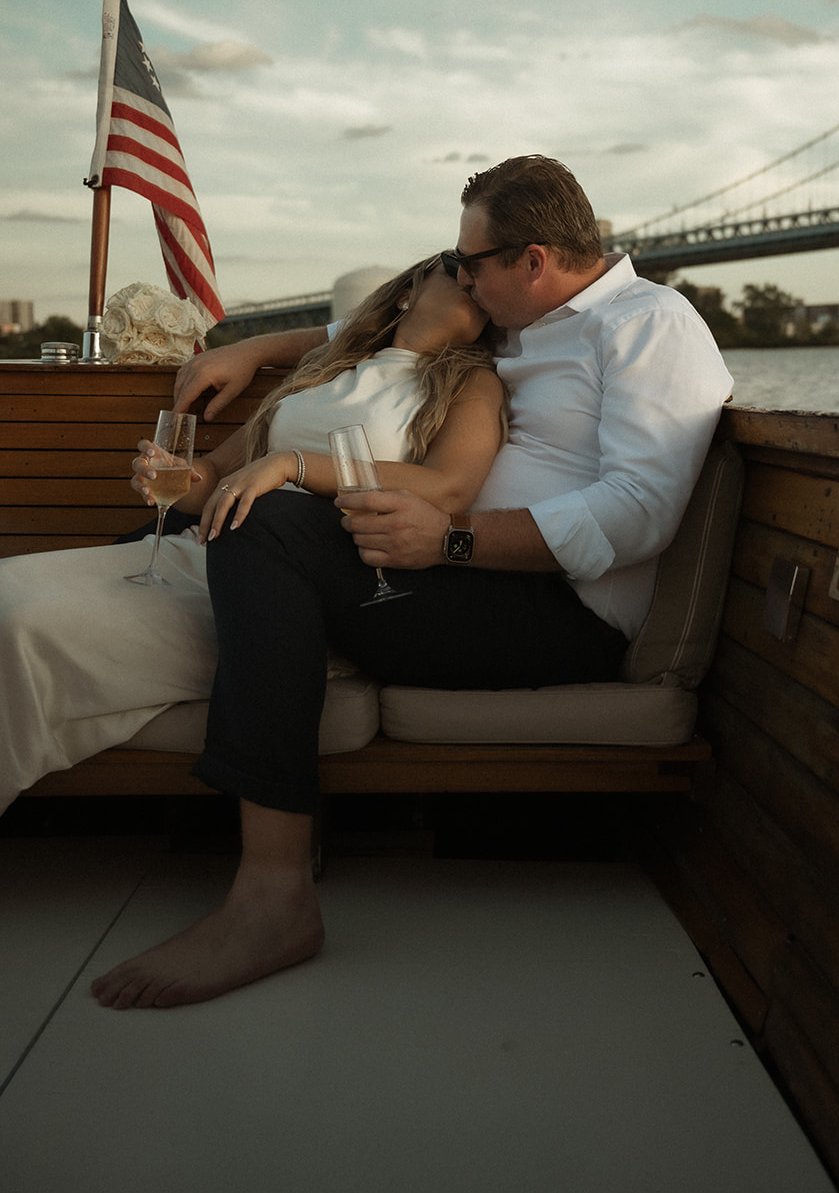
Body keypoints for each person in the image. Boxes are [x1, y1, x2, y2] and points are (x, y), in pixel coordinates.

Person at [89, 154, 734, 1010]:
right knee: (245, 515)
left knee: (271, 520)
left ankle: (272, 898)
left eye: (469, 262)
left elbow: (637, 512)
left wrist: (451, 541)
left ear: (531, 261)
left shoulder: (652, 324)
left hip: (552, 613)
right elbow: (379, 331)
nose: (457, 275)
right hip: (443, 572)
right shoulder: (517, 321)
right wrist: (254, 348)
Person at [0, 255, 506, 818]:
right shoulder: (324, 369)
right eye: (456, 269)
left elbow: (449, 488)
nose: (471, 280)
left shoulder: (471, 382)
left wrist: (293, 464)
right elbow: (215, 475)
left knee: (23, 627)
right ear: (409, 292)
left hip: (284, 591)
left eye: (477, 275)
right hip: (200, 544)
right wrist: (172, 476)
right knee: (4, 589)